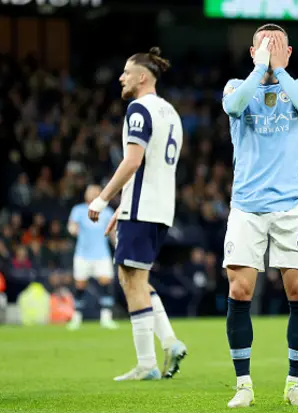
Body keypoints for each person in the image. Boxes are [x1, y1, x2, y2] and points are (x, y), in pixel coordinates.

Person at [221, 24, 298, 407]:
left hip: (293, 205)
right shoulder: (235, 86)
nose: (269, 49)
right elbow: (233, 106)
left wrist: (278, 69)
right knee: (239, 290)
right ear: (251, 52)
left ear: (289, 52)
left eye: (276, 45)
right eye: (263, 44)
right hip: (247, 205)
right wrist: (261, 67)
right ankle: (244, 384)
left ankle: (294, 384)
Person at [88, 47, 187, 381]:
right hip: (158, 207)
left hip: (143, 206)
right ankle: (169, 343)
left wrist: (103, 199)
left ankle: (147, 363)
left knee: (132, 281)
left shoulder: (138, 108)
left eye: (126, 73)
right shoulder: (170, 112)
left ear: (142, 77)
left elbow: (134, 161)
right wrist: (123, 207)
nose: (121, 78)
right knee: (133, 279)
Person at [67, 184, 118, 330]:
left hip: (101, 255)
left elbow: (112, 233)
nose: (92, 194)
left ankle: (106, 317)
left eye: (96, 192)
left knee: (106, 283)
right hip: (83, 254)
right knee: (80, 285)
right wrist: (73, 229)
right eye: (90, 192)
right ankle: (76, 317)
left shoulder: (107, 212)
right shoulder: (78, 210)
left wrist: (118, 245)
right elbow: (72, 226)